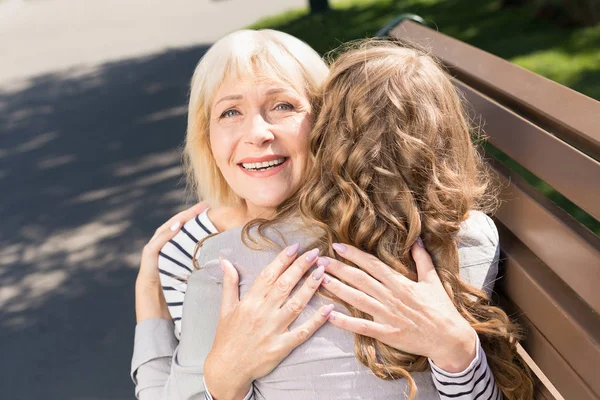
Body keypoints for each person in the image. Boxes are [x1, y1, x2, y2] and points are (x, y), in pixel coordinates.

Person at [131, 31, 528, 399]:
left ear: (326, 123)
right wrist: (156, 306)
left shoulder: (409, 241)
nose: (258, 133)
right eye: (230, 113)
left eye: (283, 105)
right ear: (207, 138)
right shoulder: (185, 248)